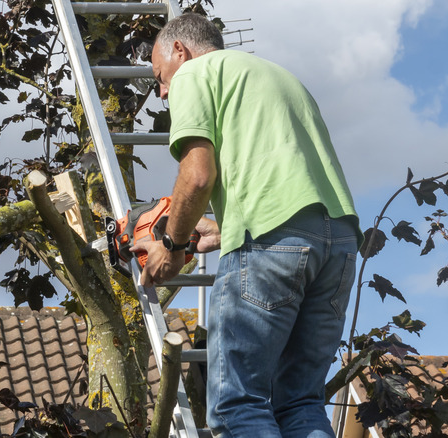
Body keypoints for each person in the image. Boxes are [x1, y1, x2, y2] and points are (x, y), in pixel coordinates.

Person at [131, 13, 363, 438]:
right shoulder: (280, 78)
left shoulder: (195, 73)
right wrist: (221, 230)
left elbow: (198, 175)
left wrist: (171, 242)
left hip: (271, 245)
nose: (163, 92)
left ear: (180, 51)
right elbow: (293, 185)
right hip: (339, 246)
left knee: (239, 404)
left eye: (160, 77)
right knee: (300, 405)